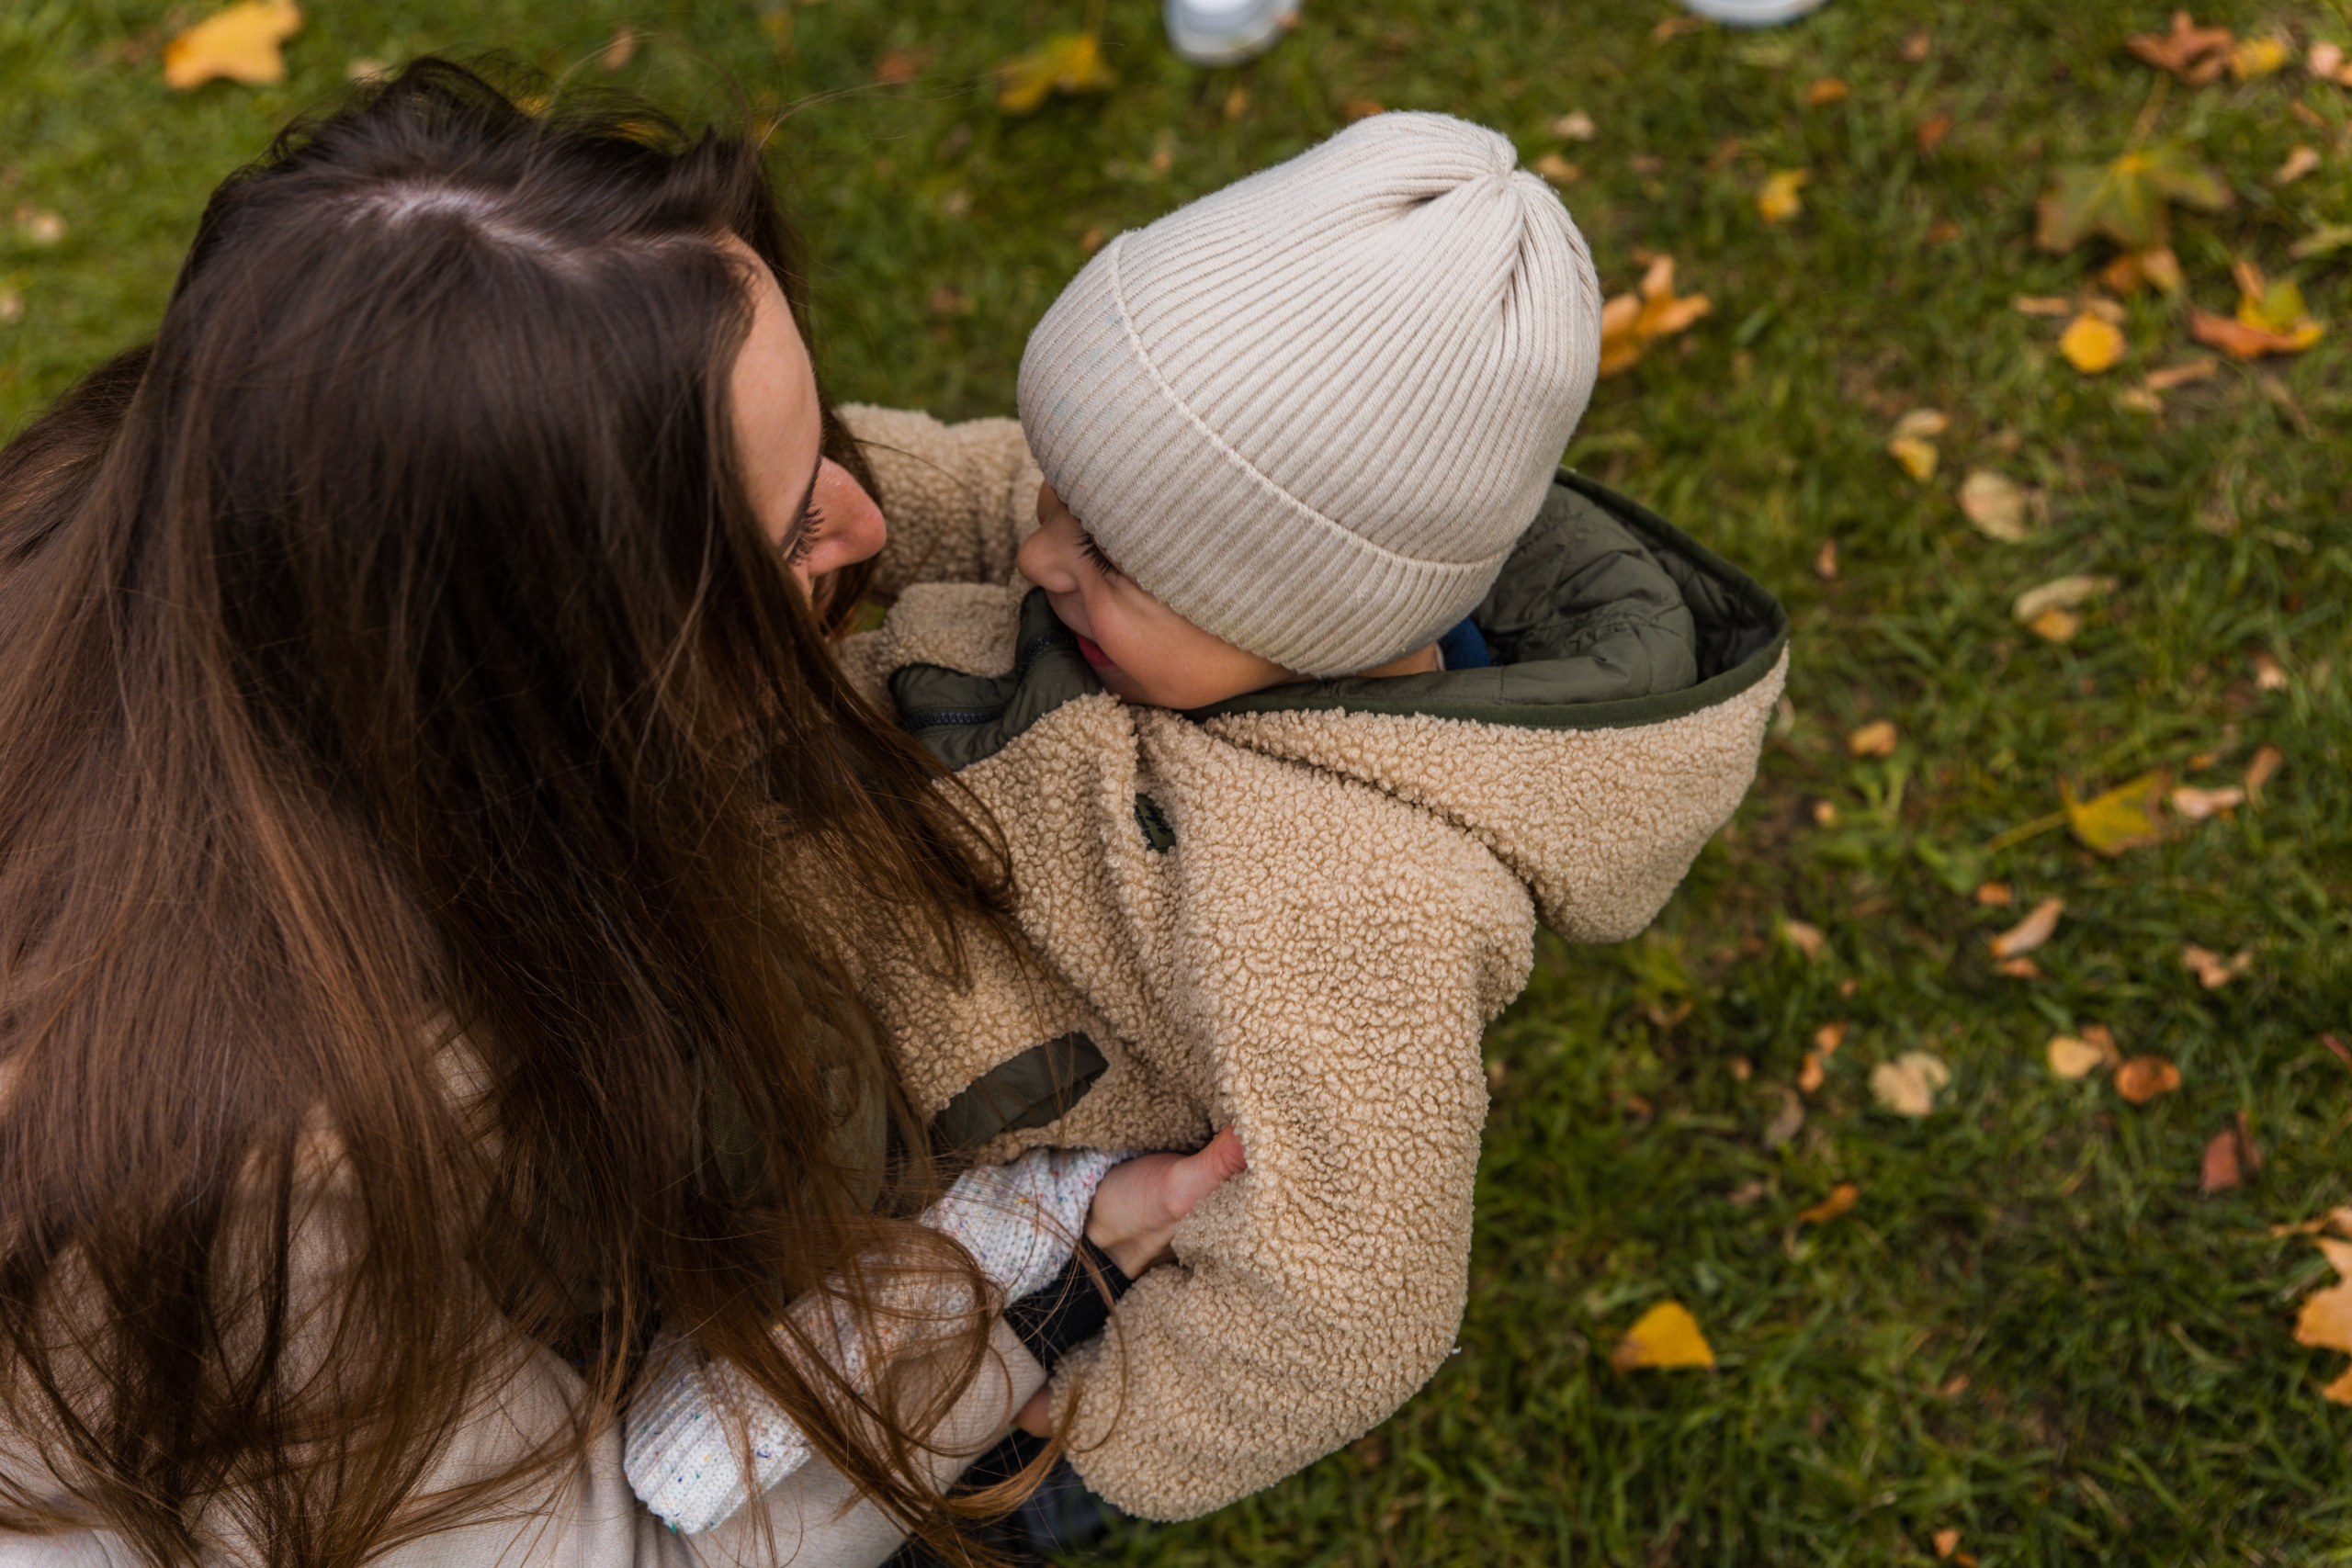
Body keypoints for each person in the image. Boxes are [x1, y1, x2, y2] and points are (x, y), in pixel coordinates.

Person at [0, 58, 1235, 1568]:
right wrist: (1041, 1275)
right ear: (557, 683)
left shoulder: (190, 500)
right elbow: (614, 1551)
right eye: (792, 528)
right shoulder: (283, 1181)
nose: (870, 526)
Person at [636, 110, 1792, 1533]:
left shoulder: (1355, 903)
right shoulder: (1167, 557)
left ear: (1303, 622)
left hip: (992, 1231)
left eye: (1100, 551)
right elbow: (975, 489)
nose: (1041, 544)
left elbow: (1354, 1291)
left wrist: (1101, 1427)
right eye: (1061, 487)